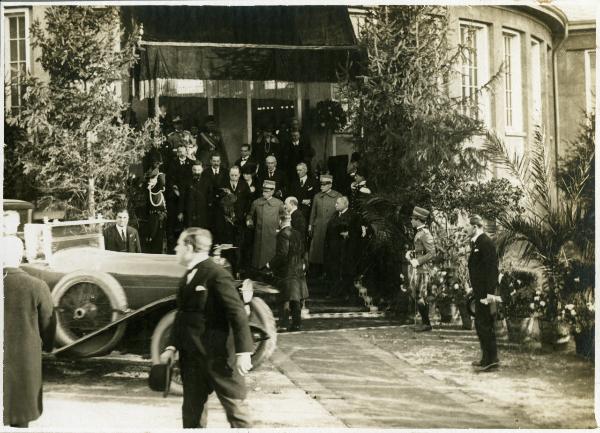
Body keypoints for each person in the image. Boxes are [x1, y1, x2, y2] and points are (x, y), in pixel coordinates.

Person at [159, 228, 253, 428]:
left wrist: (244, 352)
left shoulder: (216, 274)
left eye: (178, 245)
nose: (175, 249)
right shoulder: (187, 277)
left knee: (238, 415)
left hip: (219, 360)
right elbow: (182, 315)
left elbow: (237, 313)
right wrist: (171, 347)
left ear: (189, 247)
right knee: (192, 417)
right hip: (192, 361)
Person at [3, 236, 56, 428]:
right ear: (21, 255)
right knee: (21, 416)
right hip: (25, 361)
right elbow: (48, 322)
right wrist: (48, 347)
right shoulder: (37, 286)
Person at [467, 214, 500, 372]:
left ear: (474, 227)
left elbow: (491, 270)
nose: (466, 229)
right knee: (482, 325)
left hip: (486, 293)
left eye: (468, 226)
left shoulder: (485, 243)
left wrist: (489, 294)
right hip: (480, 291)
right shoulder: (477, 242)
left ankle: (491, 359)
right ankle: (487, 358)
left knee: (484, 324)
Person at [267, 208, 306, 332]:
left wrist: (270, 265)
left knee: (284, 297)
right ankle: (297, 324)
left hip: (286, 269)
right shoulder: (297, 233)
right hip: (297, 268)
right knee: (295, 298)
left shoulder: (283, 234)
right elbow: (302, 250)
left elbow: (282, 254)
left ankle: (283, 324)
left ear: (280, 220)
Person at [324, 196, 362, 300]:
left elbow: (358, 232)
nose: (335, 205)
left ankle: (346, 293)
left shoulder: (354, 216)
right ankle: (335, 292)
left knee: (346, 271)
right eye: (335, 203)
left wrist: (349, 233)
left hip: (346, 249)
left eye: (338, 203)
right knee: (334, 271)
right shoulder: (335, 215)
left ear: (345, 204)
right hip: (334, 249)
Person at [406, 206, 436, 332]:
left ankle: (426, 323)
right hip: (418, 268)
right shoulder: (419, 232)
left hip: (423, 269)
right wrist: (411, 253)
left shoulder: (425, 234)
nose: (411, 221)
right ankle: (424, 322)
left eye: (413, 219)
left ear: (418, 219)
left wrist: (417, 261)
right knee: (416, 294)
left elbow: (432, 253)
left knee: (419, 295)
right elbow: (420, 250)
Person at [308, 174, 342, 277]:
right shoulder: (317, 196)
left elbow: (340, 212)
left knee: (329, 250)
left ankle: (327, 272)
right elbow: (313, 212)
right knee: (317, 250)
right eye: (321, 184)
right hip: (318, 227)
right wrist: (310, 225)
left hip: (331, 228)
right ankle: (316, 271)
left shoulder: (338, 196)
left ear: (330, 185)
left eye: (324, 184)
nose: (321, 186)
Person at [246, 180, 284, 270]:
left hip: (272, 235)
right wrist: (249, 221)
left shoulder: (279, 203)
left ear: (272, 191)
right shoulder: (256, 202)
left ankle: (270, 270)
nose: (264, 193)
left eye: (266, 192)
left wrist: (280, 228)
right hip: (259, 234)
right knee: (258, 258)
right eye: (263, 191)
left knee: (270, 255)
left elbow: (284, 217)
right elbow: (249, 215)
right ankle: (259, 271)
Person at [166, 144, 194, 252]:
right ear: (177, 152)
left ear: (186, 152)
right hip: (174, 197)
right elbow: (169, 179)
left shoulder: (191, 164)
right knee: (173, 222)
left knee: (185, 222)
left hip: (186, 197)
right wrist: (174, 188)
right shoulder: (172, 163)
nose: (181, 153)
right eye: (179, 151)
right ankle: (172, 250)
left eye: (183, 151)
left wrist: (183, 192)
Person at [145, 164, 167, 254]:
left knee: (159, 238)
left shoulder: (158, 189)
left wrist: (159, 174)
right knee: (152, 237)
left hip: (160, 216)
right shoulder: (151, 190)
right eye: (150, 179)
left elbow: (162, 180)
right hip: (152, 217)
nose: (151, 180)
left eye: (153, 179)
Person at [185, 162, 213, 230]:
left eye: (198, 170)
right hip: (190, 213)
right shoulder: (187, 181)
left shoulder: (207, 181)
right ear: (192, 170)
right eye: (194, 170)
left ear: (202, 170)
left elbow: (210, 197)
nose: (196, 172)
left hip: (202, 212)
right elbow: (183, 197)